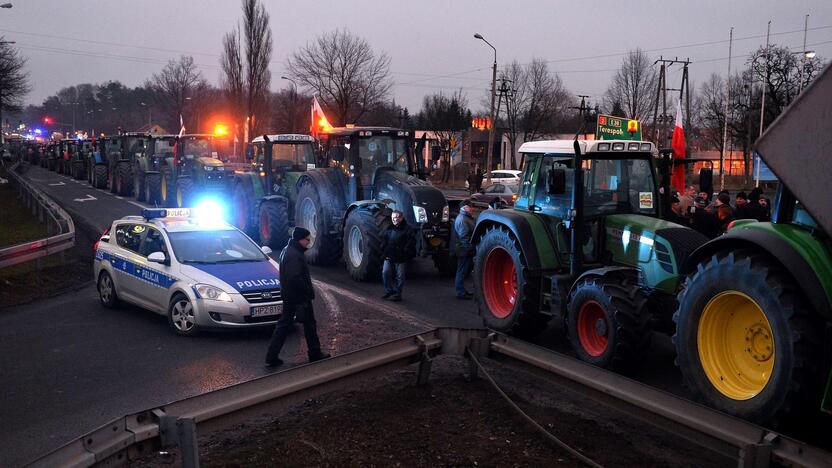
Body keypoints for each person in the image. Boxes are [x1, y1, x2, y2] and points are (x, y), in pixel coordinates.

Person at [265, 227, 330, 368]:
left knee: (284, 325)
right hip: (298, 297)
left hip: (290, 297)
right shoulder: (294, 255)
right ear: (300, 239)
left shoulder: (288, 251)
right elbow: (295, 278)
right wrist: (307, 291)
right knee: (309, 325)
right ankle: (314, 353)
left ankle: (272, 356)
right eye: (307, 239)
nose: (309, 242)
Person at [381, 210, 415, 302]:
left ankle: (398, 293)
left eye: (396, 217)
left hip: (401, 256)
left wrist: (405, 252)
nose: (394, 219)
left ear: (401, 217)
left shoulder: (408, 229)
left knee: (400, 276)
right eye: (392, 218)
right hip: (389, 255)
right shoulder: (389, 228)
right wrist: (384, 252)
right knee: (385, 272)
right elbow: (384, 241)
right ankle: (389, 291)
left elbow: (411, 242)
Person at [453, 200, 476, 299]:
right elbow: (464, 237)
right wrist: (471, 249)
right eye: (470, 207)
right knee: (461, 271)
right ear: (464, 208)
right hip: (463, 249)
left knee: (463, 270)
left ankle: (462, 291)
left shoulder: (466, 218)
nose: (472, 208)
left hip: (464, 248)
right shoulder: (463, 220)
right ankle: (460, 292)